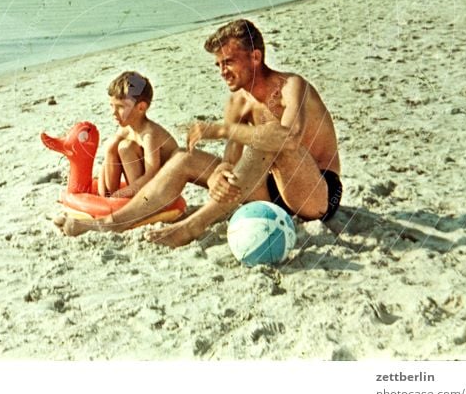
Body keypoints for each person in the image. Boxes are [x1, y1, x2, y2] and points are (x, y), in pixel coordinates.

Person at [59, 19, 342, 247]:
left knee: (267, 136)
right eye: (218, 64)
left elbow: (289, 140)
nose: (222, 72)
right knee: (183, 158)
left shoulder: (292, 86)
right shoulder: (237, 102)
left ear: (255, 57)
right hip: (267, 189)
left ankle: (192, 226)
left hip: (315, 194)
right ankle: (112, 222)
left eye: (229, 62)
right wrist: (221, 174)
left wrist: (220, 129)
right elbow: (231, 161)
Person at [97, 71, 179, 199]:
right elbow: (108, 159)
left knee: (126, 147)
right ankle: (109, 196)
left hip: (162, 191)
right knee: (114, 146)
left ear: (141, 108)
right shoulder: (126, 129)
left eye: (120, 107)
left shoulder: (150, 135)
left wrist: (119, 195)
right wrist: (105, 197)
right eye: (111, 106)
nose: (113, 112)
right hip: (143, 187)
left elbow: (151, 175)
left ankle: (131, 200)